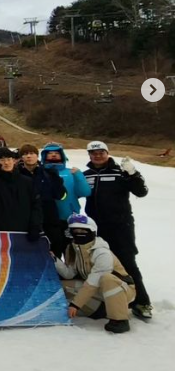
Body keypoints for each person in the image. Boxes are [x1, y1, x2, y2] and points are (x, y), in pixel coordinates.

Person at [82, 141, 152, 320]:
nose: (97, 156)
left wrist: (133, 173)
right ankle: (106, 301)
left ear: (107, 153)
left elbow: (141, 192)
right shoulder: (86, 175)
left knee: (127, 262)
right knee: (100, 264)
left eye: (101, 152)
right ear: (89, 155)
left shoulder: (119, 172)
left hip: (121, 226)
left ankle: (141, 302)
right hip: (96, 228)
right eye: (93, 153)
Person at [54, 214, 136, 334]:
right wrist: (54, 260)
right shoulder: (72, 249)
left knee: (106, 279)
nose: (78, 233)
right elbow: (69, 274)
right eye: (75, 230)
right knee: (61, 286)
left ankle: (119, 319)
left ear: (92, 231)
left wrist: (76, 305)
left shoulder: (102, 252)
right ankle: (99, 309)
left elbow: (94, 282)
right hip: (97, 290)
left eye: (82, 230)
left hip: (123, 290)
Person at [0, 148, 42, 239]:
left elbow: (36, 205)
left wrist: (35, 226)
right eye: (2, 160)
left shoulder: (26, 181)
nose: (6, 163)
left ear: (14, 161)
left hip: (24, 229)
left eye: (9, 159)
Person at [18, 144, 66, 254]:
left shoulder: (47, 173)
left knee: (54, 249)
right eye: (25, 154)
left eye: (31, 153)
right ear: (21, 157)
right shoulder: (17, 174)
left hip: (49, 217)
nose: (29, 156)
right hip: (27, 218)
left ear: (37, 156)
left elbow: (61, 195)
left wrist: (57, 181)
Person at [40, 142, 90, 249]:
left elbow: (85, 192)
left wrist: (78, 176)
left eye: (56, 153)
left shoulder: (71, 173)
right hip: (47, 220)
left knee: (70, 251)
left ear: (62, 155)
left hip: (69, 219)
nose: (53, 155)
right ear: (44, 156)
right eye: (50, 153)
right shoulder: (40, 173)